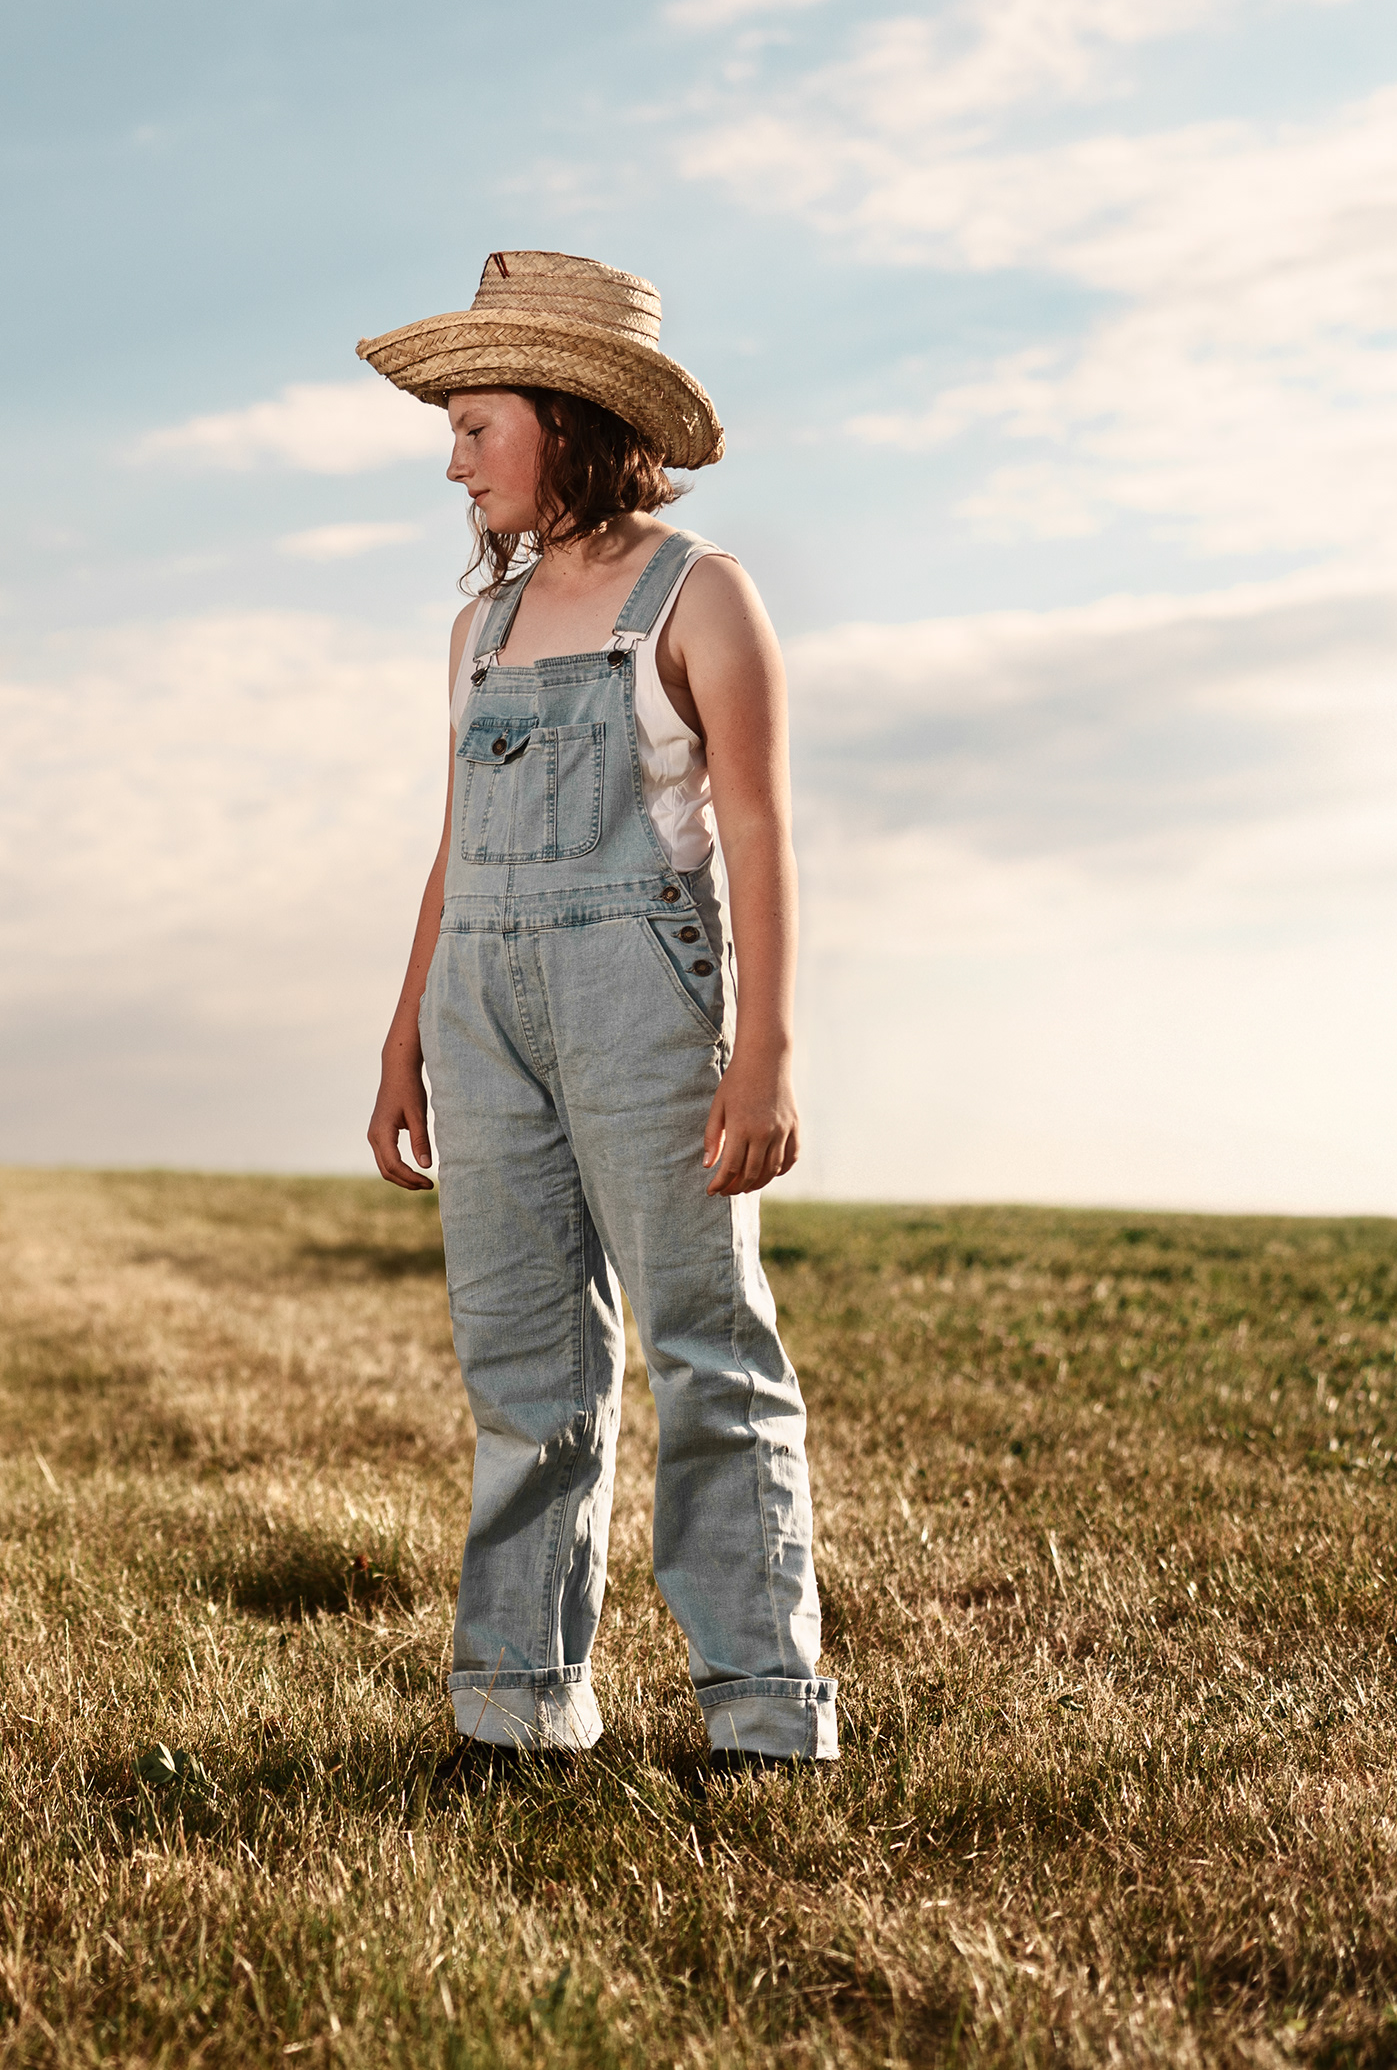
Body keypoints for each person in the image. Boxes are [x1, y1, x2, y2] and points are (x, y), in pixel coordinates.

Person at [355, 250, 836, 1783]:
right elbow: (453, 843)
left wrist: (762, 1050)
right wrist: (404, 1031)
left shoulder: (700, 598)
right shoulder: (477, 631)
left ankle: (762, 1713)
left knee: (707, 1347)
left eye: (474, 424)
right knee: (522, 1367)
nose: (453, 459)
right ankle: (515, 1706)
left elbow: (755, 829)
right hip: (479, 1008)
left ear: (562, 418)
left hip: (646, 1010)